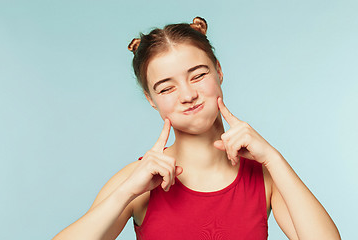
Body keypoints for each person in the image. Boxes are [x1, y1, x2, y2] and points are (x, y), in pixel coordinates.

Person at [52, 17, 340, 240]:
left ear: (219, 71)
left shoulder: (265, 176)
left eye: (198, 75)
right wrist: (126, 193)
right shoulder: (135, 180)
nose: (187, 95)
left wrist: (274, 159)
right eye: (166, 88)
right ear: (151, 100)